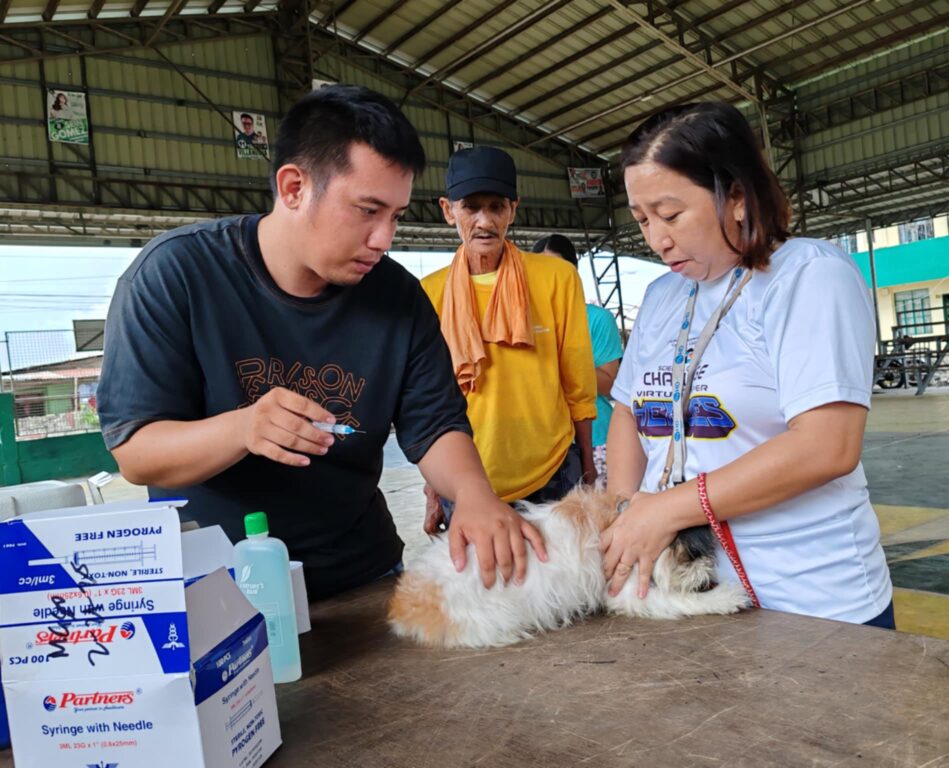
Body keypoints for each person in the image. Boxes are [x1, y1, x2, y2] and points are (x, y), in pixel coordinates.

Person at [98, 86, 546, 601]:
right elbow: (136, 451)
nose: (383, 239)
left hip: (363, 579)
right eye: (367, 210)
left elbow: (435, 425)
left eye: (395, 216)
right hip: (221, 594)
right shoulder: (176, 276)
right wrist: (243, 427)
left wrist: (473, 493)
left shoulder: (398, 297)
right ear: (294, 188)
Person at [602, 102, 894, 628]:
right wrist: (627, 514)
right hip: (686, 594)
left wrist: (666, 509)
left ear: (735, 196)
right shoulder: (663, 296)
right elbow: (627, 408)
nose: (656, 239)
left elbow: (827, 446)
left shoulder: (807, 276)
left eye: (671, 215)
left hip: (811, 603)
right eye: (642, 220)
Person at [420, 147, 597, 531]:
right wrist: (434, 492)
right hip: (465, 483)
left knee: (565, 572)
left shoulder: (557, 279)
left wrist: (587, 465)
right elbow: (427, 407)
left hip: (554, 473)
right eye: (471, 207)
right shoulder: (428, 294)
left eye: (496, 207)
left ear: (513, 210)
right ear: (448, 210)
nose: (485, 221)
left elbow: (578, 383)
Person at [533, 234, 623, 488]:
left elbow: (610, 385)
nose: (549, 278)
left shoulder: (597, 319)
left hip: (596, 441)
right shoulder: (521, 321)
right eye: (540, 270)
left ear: (573, 272)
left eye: (558, 269)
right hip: (542, 444)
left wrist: (559, 362)